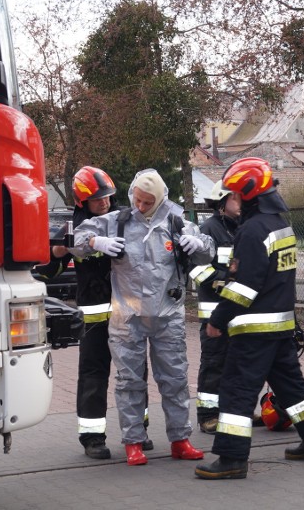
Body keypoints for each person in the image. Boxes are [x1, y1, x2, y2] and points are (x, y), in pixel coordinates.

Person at [195, 157, 304, 480]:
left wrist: (218, 319)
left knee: (237, 390)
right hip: (280, 325)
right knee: (290, 385)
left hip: (253, 329)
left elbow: (243, 286)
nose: (235, 202)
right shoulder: (279, 224)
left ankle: (231, 458)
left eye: (237, 195)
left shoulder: (252, 230)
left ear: (250, 194)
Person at [72, 168, 215, 466]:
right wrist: (95, 243)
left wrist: (199, 246)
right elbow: (76, 236)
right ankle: (133, 442)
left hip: (167, 316)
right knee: (129, 382)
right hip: (128, 318)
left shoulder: (176, 223)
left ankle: (180, 439)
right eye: (137, 199)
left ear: (160, 199)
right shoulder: (118, 222)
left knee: (175, 380)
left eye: (147, 202)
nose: (140, 206)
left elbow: (208, 251)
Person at [36, 166, 153, 459]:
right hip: (95, 319)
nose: (104, 203)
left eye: (107, 197)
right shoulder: (72, 230)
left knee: (135, 372)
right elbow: (48, 272)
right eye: (97, 199)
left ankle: (138, 430)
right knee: (93, 376)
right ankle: (92, 437)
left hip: (128, 314)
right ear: (81, 202)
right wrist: (59, 252)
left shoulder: (124, 220)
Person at [189, 181, 241, 434]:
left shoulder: (242, 228)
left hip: (240, 312)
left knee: (238, 364)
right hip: (214, 314)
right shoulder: (207, 230)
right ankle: (208, 415)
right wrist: (224, 279)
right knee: (213, 364)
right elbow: (197, 269)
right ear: (222, 202)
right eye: (236, 199)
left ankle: (234, 411)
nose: (240, 203)